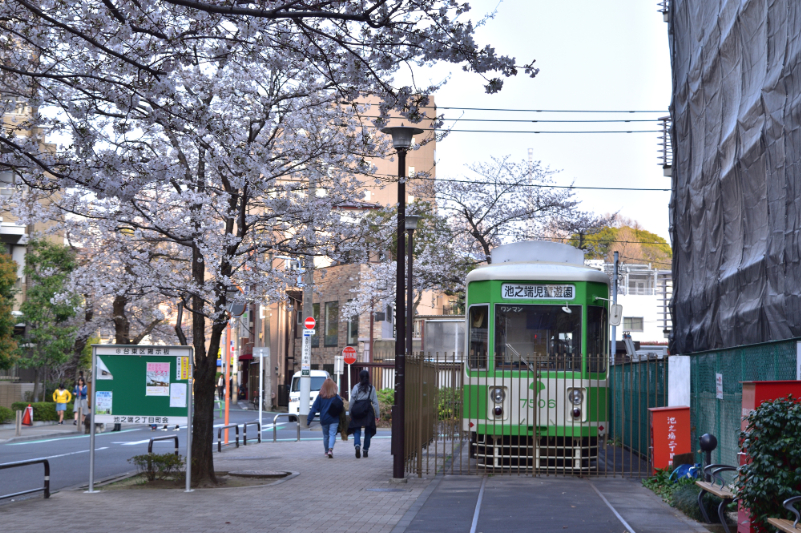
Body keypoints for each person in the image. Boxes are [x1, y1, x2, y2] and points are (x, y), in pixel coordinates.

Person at [307, 378, 343, 458]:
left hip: (324, 419)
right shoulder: (336, 397)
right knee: (332, 434)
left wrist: (309, 420)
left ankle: (326, 452)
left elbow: (314, 408)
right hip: (334, 419)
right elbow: (341, 407)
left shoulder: (320, 397)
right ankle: (331, 450)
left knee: (326, 436)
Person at [348, 370, 379, 459]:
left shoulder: (356, 387)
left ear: (360, 377)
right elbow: (375, 403)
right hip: (368, 411)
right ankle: (365, 450)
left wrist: (350, 413)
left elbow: (352, 401)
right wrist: (377, 415)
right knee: (368, 431)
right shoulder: (371, 388)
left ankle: (357, 445)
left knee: (357, 429)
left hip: (357, 410)